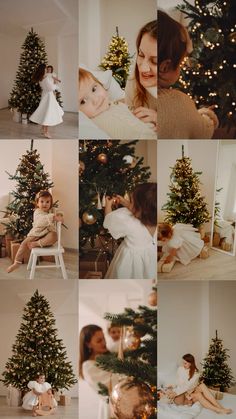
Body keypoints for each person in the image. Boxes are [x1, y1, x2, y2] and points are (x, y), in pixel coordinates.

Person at [157, 10, 219, 139]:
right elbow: (204, 130)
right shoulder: (180, 102)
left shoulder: (133, 94)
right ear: (165, 67)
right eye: (180, 63)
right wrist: (207, 114)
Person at [79, 68, 156, 139]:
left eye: (94, 89)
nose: (95, 99)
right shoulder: (96, 123)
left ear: (101, 85)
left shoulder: (113, 103)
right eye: (83, 101)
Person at [103, 183, 157, 279]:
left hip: (130, 261)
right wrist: (126, 203)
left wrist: (108, 205)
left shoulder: (128, 221)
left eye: (132, 202)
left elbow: (109, 221)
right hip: (150, 256)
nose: (130, 204)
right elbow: (140, 211)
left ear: (139, 208)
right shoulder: (155, 219)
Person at [7, 190, 63, 273]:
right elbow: (41, 221)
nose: (44, 204)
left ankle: (35, 244)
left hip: (46, 236)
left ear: (51, 203)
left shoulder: (50, 211)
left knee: (54, 236)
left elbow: (58, 215)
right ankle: (17, 262)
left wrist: (60, 216)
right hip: (36, 234)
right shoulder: (37, 212)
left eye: (47, 202)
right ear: (37, 203)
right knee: (23, 244)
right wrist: (53, 217)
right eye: (42, 201)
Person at [165, 354, 232, 414]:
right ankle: (218, 408)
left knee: (202, 386)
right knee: (200, 391)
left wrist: (185, 392)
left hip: (189, 390)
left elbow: (189, 386)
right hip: (182, 392)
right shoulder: (180, 369)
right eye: (183, 363)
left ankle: (218, 407)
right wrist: (173, 388)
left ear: (190, 363)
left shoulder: (196, 373)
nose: (183, 365)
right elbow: (178, 382)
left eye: (185, 363)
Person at [79, 325, 120, 419]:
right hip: (113, 410)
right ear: (88, 344)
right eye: (99, 341)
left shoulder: (110, 354)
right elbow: (112, 386)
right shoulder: (88, 366)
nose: (104, 342)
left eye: (104, 338)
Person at [125, 20, 157, 130]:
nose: (142, 68)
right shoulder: (132, 82)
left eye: (155, 61)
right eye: (141, 54)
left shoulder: (180, 92)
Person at [30, 63, 64, 139]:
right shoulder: (45, 78)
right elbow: (51, 88)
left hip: (46, 95)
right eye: (46, 68)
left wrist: (54, 81)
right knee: (48, 113)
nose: (47, 69)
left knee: (46, 112)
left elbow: (48, 87)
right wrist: (56, 85)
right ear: (43, 69)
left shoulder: (41, 78)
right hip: (48, 97)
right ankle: (46, 132)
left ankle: (43, 129)